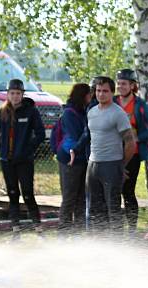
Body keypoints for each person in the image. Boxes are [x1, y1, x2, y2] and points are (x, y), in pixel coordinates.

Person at [71, 76, 136, 234]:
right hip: (93, 165)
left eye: (105, 91)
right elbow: (90, 136)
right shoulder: (91, 112)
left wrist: (121, 165)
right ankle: (99, 244)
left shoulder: (118, 113)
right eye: (98, 91)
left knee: (113, 208)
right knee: (94, 209)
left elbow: (130, 143)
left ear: (112, 92)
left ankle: (117, 246)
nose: (101, 94)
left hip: (111, 164)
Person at [0, 78, 46, 239]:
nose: (15, 97)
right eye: (12, 93)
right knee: (13, 194)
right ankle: (16, 232)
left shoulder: (31, 111)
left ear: (22, 94)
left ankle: (39, 230)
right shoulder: (2, 111)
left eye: (18, 93)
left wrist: (29, 148)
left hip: (24, 161)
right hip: (7, 160)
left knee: (28, 194)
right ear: (7, 94)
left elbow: (40, 133)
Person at [114, 69, 148, 236]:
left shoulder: (140, 105)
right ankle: (114, 228)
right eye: (118, 83)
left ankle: (132, 229)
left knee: (127, 190)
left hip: (132, 154)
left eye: (124, 84)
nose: (120, 86)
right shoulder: (113, 101)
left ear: (132, 85)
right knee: (112, 190)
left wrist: (139, 138)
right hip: (112, 153)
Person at [55, 83, 92, 233]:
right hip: (70, 159)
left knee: (81, 199)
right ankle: (63, 234)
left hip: (82, 159)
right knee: (69, 198)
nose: (92, 97)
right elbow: (77, 136)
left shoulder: (84, 111)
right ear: (82, 96)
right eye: (89, 94)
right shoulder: (70, 113)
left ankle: (78, 234)